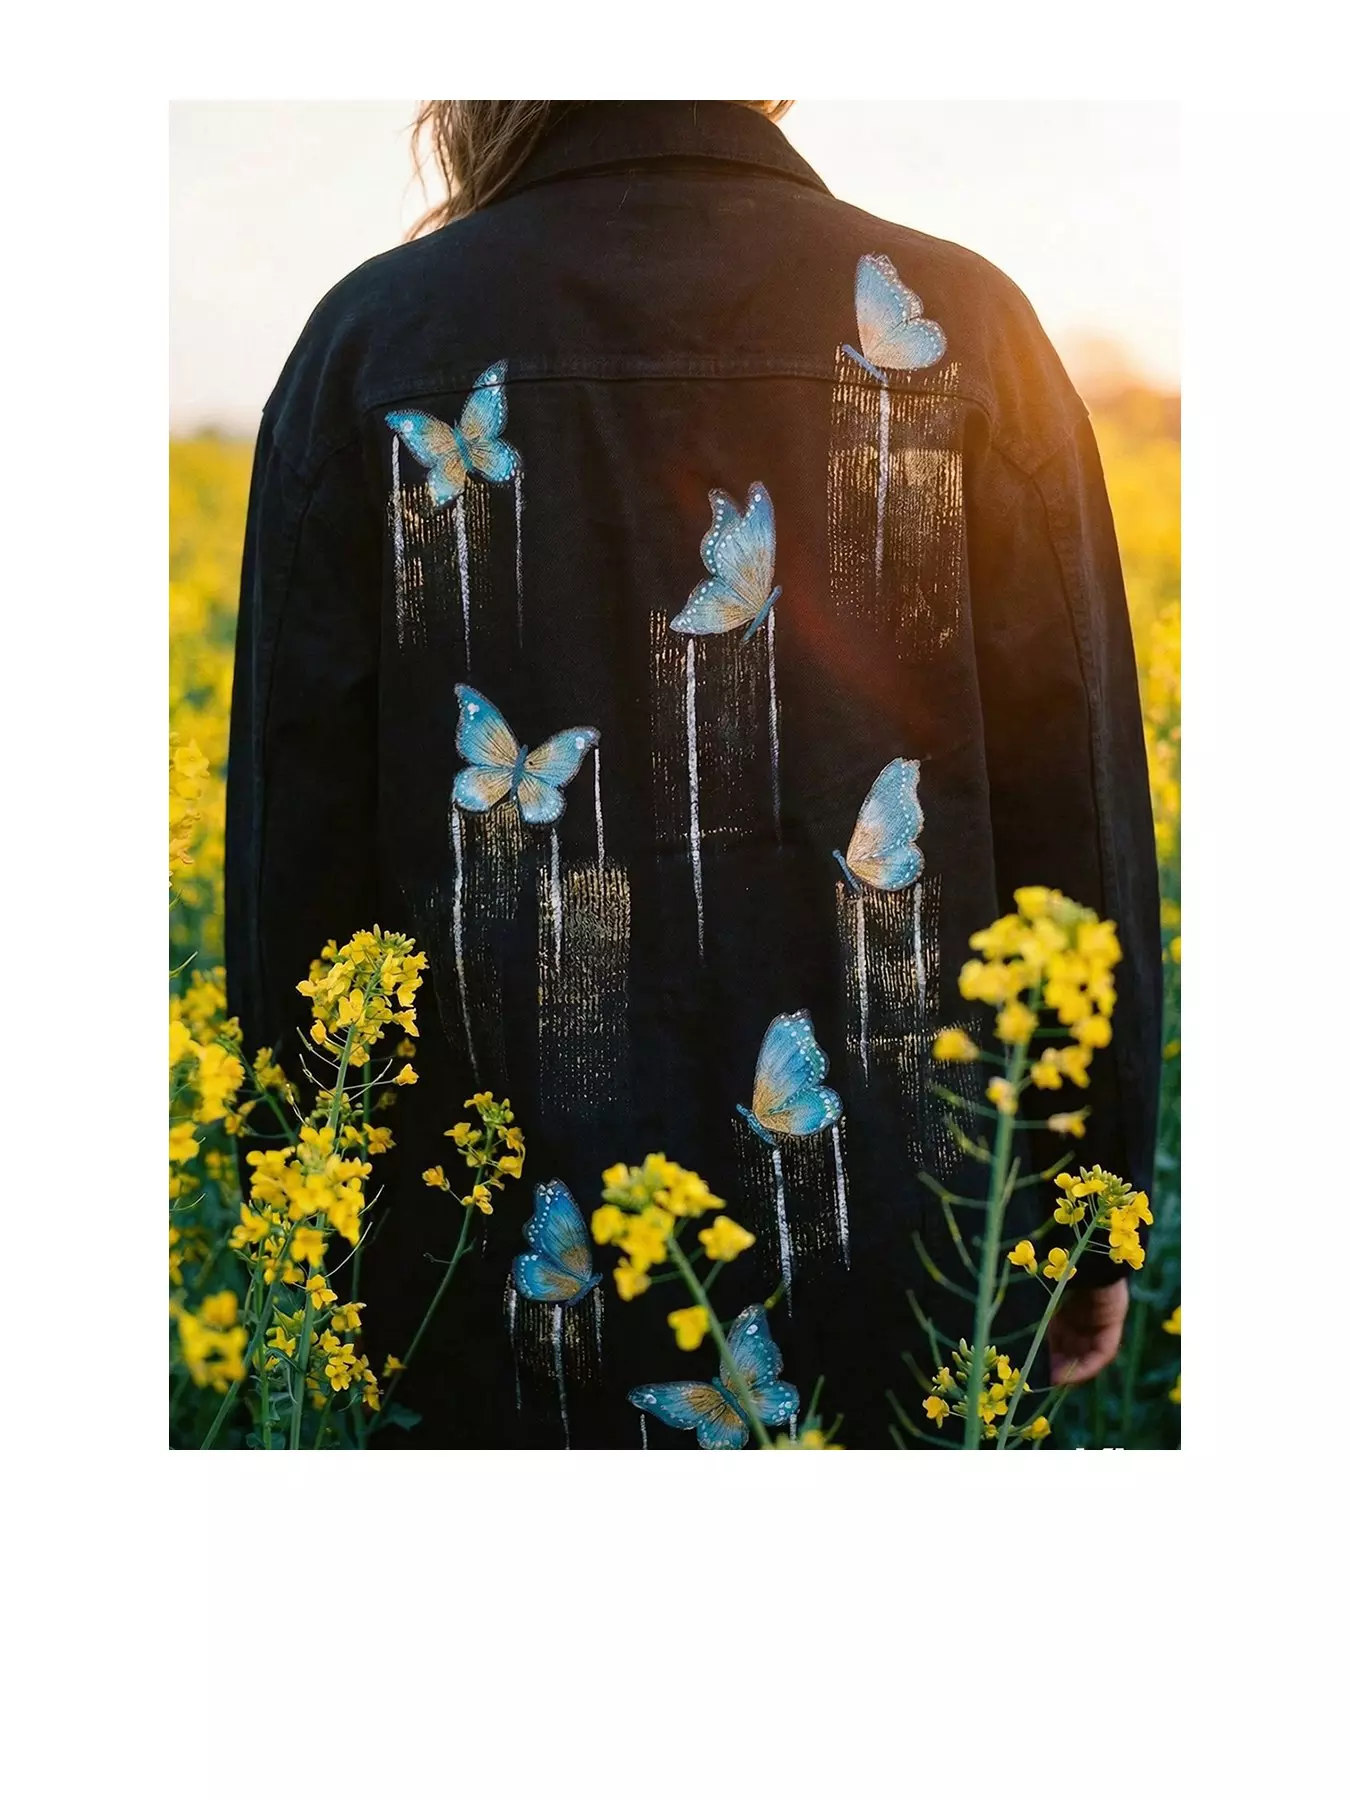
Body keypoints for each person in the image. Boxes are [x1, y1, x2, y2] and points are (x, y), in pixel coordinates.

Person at [226, 100, 1160, 1448]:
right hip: (907, 1241)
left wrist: (296, 1223)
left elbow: (291, 846)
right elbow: (1077, 810)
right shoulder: (974, 325)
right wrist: (1092, 1217)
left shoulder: (373, 339)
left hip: (483, 1274)